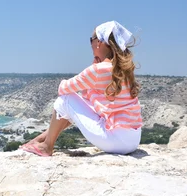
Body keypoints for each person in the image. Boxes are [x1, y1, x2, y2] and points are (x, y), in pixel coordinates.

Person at [22, 20, 142, 156]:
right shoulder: (124, 69)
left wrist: (92, 68)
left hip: (115, 141)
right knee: (75, 104)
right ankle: (39, 140)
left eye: (91, 39)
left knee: (65, 100)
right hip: (133, 140)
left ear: (99, 43)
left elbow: (63, 89)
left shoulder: (98, 70)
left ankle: (46, 146)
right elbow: (88, 102)